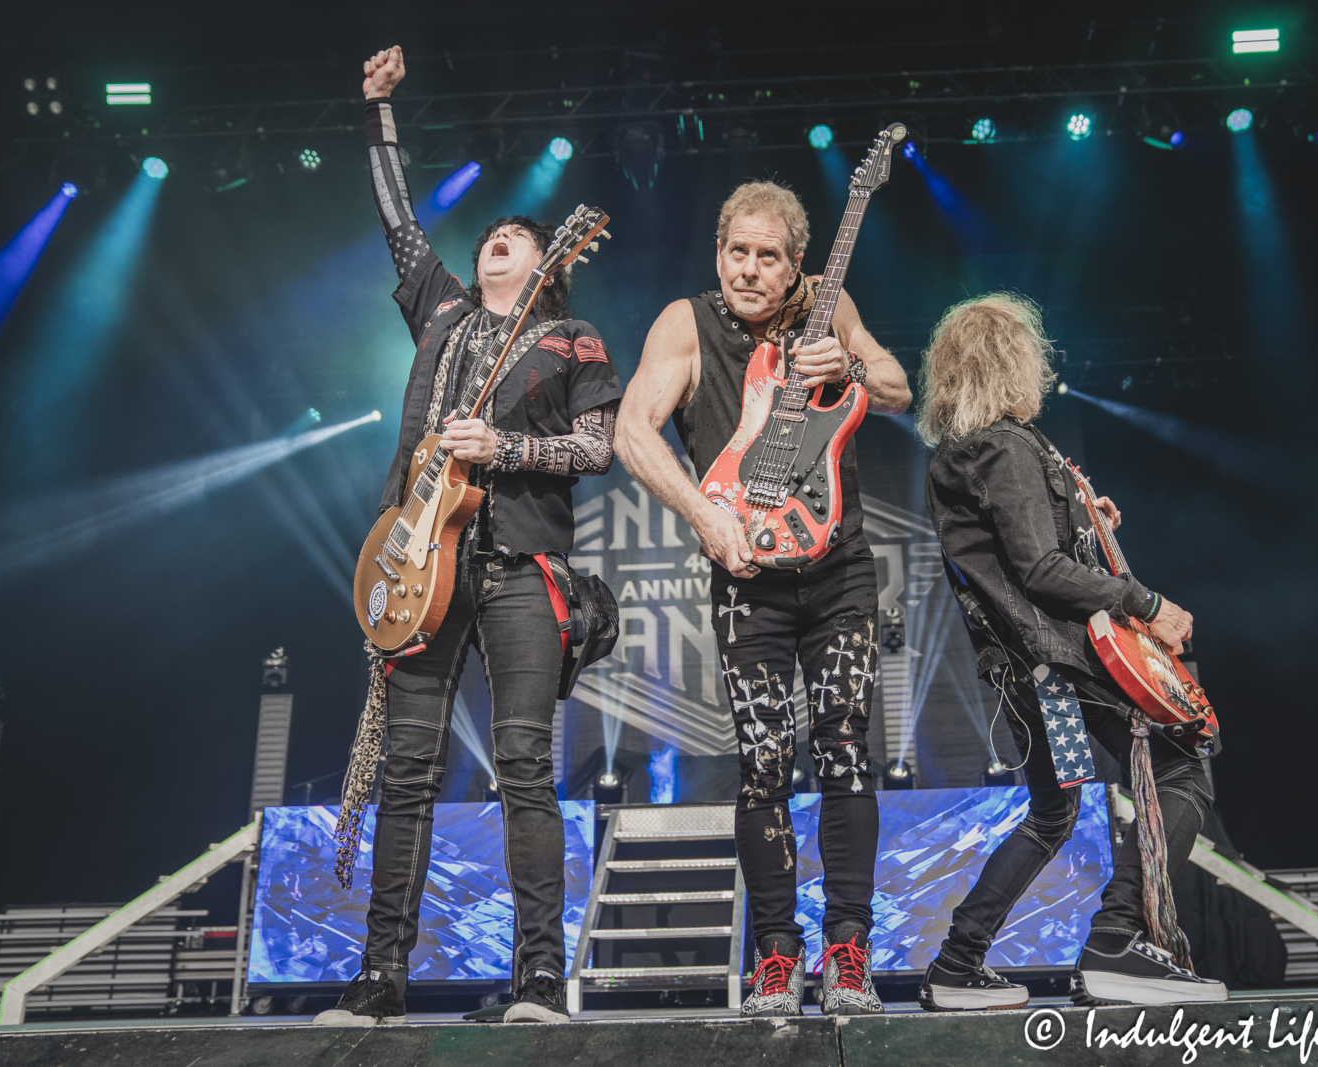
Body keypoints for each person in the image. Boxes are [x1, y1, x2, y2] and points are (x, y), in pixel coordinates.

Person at [315, 46, 623, 1027]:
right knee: (407, 770)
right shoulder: (442, 314)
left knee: (523, 762)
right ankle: (378, 980)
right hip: (420, 569)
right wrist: (378, 117)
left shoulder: (572, 342)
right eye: (487, 235)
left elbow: (598, 445)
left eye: (511, 237)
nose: (494, 241)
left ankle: (537, 980)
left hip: (522, 568)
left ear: (546, 262)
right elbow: (397, 219)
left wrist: (508, 443)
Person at [614, 181, 911, 1016]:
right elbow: (633, 428)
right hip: (748, 573)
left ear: (794, 267)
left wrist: (847, 362)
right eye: (737, 251)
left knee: (847, 747)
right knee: (764, 765)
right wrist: (705, 515)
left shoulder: (829, 306)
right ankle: (777, 956)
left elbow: (897, 384)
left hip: (841, 571)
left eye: (768, 256)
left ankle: (848, 951)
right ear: (718, 254)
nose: (750, 269)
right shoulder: (687, 322)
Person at [916, 293, 1227, 1009]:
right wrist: (1149, 603)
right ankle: (1118, 939)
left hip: (1023, 661)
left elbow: (1029, 551)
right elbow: (1040, 570)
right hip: (1058, 660)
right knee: (1182, 769)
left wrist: (1083, 521)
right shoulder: (1004, 445)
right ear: (1011, 361)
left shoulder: (965, 454)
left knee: (1052, 813)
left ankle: (957, 966)